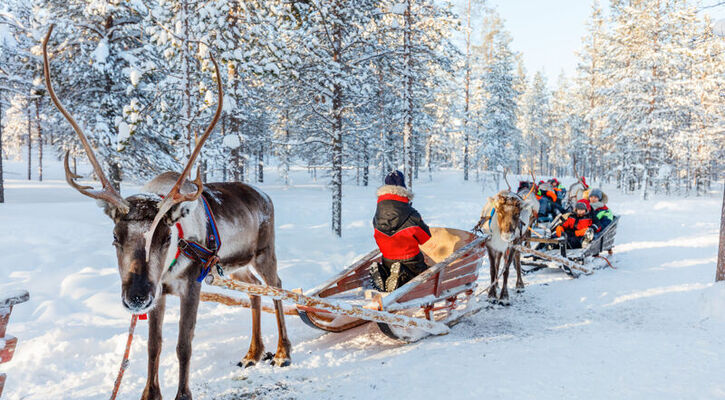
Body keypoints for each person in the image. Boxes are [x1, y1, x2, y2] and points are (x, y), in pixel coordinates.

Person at [371, 170, 432, 292]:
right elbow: (425, 238)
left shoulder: (377, 216)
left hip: (387, 259)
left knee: (390, 263)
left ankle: (384, 273)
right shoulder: (411, 214)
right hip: (411, 261)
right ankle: (401, 275)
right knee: (422, 274)